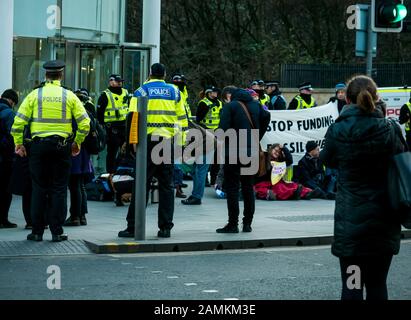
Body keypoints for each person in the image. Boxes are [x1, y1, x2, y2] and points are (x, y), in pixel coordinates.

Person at [320, 75, 406, 300]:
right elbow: (403, 161)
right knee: (378, 285)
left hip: (351, 225)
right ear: (377, 98)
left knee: (353, 285)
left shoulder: (337, 130)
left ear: (346, 100)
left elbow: (327, 160)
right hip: (383, 220)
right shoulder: (390, 129)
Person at [11, 60, 91, 242]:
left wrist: (19, 144)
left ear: (45, 76)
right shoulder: (69, 95)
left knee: (38, 188)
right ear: (61, 75)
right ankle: (57, 232)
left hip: (38, 148)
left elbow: (18, 123)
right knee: (59, 189)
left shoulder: (34, 95)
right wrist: (76, 142)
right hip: (61, 147)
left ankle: (37, 231)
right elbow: (85, 123)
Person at [119, 63, 188, 238]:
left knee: (141, 184)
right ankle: (165, 228)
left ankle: (133, 226)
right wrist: (180, 143)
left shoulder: (141, 91)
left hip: (146, 143)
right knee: (167, 186)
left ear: (150, 74)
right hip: (167, 142)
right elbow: (182, 120)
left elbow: (132, 118)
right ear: (164, 75)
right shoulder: (175, 92)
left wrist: (131, 143)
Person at [216, 88, 271, 233]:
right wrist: (257, 135)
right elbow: (267, 116)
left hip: (233, 152)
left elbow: (222, 130)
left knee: (233, 188)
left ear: (232, 96)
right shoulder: (257, 105)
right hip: (251, 151)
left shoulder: (230, 106)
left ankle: (232, 224)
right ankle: (247, 224)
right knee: (248, 187)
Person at [64, 89, 95, 227]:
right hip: (84, 154)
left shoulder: (74, 115)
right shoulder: (87, 113)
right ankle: (82, 216)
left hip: (75, 152)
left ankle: (75, 216)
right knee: (80, 184)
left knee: (74, 185)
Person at [97, 74, 129, 173]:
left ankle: (122, 172)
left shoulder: (125, 92)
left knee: (126, 152)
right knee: (112, 152)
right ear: (111, 82)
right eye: (117, 81)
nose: (120, 83)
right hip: (112, 128)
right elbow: (99, 113)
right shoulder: (105, 95)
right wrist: (102, 127)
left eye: (121, 81)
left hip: (124, 127)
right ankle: (110, 174)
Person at [196, 85, 223, 186]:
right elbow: (198, 119)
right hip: (206, 132)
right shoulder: (203, 103)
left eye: (216, 92)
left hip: (218, 131)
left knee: (217, 157)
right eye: (214, 92)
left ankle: (213, 179)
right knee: (206, 156)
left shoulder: (219, 103)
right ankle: (204, 180)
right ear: (208, 93)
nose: (216, 93)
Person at [0, 89, 19, 228]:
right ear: (12, 101)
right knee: (5, 190)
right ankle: (3, 219)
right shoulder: (10, 113)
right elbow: (13, 136)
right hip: (4, 158)